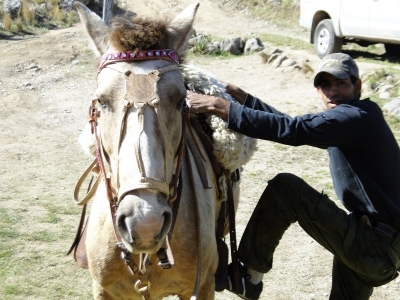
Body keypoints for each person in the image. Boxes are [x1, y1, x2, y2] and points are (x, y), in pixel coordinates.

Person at [186, 53, 400, 300]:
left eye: (341, 83)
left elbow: (293, 130)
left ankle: (250, 278)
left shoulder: (354, 117)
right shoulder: (353, 120)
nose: (333, 91)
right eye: (325, 85)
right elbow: (289, 123)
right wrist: (245, 99)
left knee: (286, 188)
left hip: (373, 244)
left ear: (357, 85)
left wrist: (220, 106)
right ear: (318, 90)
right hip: (377, 248)